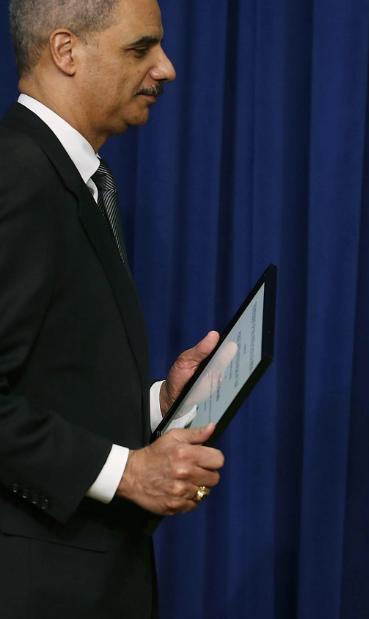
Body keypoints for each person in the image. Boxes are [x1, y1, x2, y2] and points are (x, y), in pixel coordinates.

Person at [0, 0, 226, 616]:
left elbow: (48, 378)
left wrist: (156, 402)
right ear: (66, 52)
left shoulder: (69, 175)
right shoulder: (19, 174)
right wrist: (129, 473)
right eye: (140, 48)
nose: (168, 68)